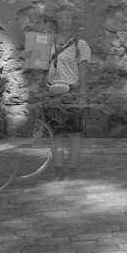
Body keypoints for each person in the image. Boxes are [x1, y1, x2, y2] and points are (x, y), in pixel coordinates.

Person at [43, 11, 90, 174]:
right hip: (52, 93)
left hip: (71, 93)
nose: (63, 20)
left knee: (73, 133)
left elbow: (83, 72)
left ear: (73, 21)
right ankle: (58, 167)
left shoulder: (80, 44)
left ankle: (73, 166)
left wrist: (82, 96)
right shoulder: (48, 42)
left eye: (67, 17)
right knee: (55, 133)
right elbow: (38, 65)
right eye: (60, 17)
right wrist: (27, 55)